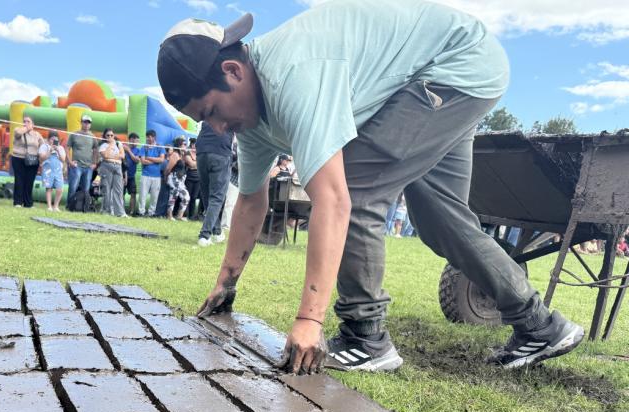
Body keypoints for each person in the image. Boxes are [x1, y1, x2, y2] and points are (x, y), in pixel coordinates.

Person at [157, 4, 584, 374]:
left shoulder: (295, 74)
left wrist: (310, 319)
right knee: (439, 220)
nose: (216, 128)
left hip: (454, 67)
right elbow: (251, 199)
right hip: (448, 73)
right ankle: (541, 325)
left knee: (356, 189)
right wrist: (225, 283)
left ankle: (365, 336)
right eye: (203, 121)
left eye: (211, 111)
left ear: (233, 71)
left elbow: (337, 200)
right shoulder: (250, 121)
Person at [194, 122, 234, 246]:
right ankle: (204, 235)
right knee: (216, 197)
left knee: (207, 195)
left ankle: (217, 232)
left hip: (201, 152)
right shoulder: (234, 111)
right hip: (220, 152)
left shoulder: (211, 108)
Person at [66, 113, 97, 211]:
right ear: (81, 123)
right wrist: (70, 161)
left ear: (90, 124)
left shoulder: (93, 137)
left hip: (88, 167)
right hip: (76, 166)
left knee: (86, 189)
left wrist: (94, 163)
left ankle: (84, 207)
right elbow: (67, 148)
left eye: (88, 123)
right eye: (85, 122)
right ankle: (69, 206)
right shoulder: (74, 134)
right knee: (73, 187)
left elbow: (96, 150)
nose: (87, 124)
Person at [10, 115, 43, 208]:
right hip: (18, 158)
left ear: (33, 124)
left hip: (33, 160)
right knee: (19, 180)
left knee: (29, 181)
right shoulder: (18, 129)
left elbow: (42, 146)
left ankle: (28, 203)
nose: (26, 123)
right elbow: (18, 134)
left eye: (28, 121)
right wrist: (26, 128)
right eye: (24, 121)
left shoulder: (37, 134)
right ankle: (18, 202)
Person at [97, 127, 127, 217]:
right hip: (106, 166)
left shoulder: (118, 144)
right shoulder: (103, 146)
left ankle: (120, 212)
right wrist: (110, 145)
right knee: (106, 189)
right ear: (105, 136)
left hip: (117, 167)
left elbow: (122, 156)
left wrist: (112, 155)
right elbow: (105, 156)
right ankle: (106, 211)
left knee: (118, 190)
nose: (110, 137)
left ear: (114, 135)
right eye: (108, 135)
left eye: (112, 135)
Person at [138, 129, 165, 216]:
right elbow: (142, 161)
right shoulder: (143, 147)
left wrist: (149, 158)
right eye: (147, 137)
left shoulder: (160, 147)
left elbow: (161, 159)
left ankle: (151, 212)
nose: (149, 138)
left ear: (154, 137)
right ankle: (141, 212)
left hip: (157, 176)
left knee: (154, 196)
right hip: (145, 175)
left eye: (151, 137)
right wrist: (155, 160)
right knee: (142, 195)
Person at [40, 132, 66, 211]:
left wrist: (57, 150)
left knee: (60, 188)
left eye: (56, 140)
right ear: (48, 139)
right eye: (52, 139)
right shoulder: (44, 146)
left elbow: (63, 159)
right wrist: (50, 150)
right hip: (47, 170)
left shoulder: (61, 148)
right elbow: (42, 158)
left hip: (58, 171)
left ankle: (56, 206)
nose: (54, 141)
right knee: (49, 188)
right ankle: (49, 206)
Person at [165, 136, 189, 221]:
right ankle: (169, 215)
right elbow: (168, 168)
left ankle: (179, 215)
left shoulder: (182, 155)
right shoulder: (175, 154)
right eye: (184, 144)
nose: (186, 146)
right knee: (173, 195)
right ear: (179, 145)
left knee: (186, 197)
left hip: (181, 179)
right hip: (174, 177)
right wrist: (166, 177)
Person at [123, 132, 141, 215]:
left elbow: (136, 160)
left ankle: (131, 212)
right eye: (135, 141)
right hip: (122, 175)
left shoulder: (138, 150)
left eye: (138, 141)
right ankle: (121, 210)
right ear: (130, 140)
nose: (137, 143)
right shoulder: (122, 147)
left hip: (131, 176)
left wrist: (129, 151)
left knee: (133, 194)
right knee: (121, 193)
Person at [185, 137, 201, 219]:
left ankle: (191, 215)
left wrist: (195, 164)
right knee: (188, 196)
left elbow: (201, 164)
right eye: (194, 144)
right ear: (191, 144)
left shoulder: (199, 153)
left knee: (194, 197)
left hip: (198, 178)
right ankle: (185, 214)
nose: (195, 146)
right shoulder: (187, 153)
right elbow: (191, 164)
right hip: (189, 177)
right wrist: (196, 164)